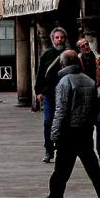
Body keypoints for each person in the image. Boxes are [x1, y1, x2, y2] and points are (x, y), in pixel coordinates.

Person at [40, 49, 100, 198]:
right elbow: (94, 108)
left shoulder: (65, 82)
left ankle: (56, 196)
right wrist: (89, 124)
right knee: (92, 165)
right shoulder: (89, 81)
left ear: (63, 63)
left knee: (61, 168)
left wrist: (54, 134)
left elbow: (61, 110)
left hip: (69, 131)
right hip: (85, 129)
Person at [35, 27, 70, 163]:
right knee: (48, 121)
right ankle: (49, 150)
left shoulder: (70, 54)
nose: (59, 40)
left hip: (65, 95)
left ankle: (63, 149)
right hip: (49, 94)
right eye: (57, 37)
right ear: (52, 39)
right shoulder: (47, 55)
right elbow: (40, 74)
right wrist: (38, 91)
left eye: (61, 37)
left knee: (65, 123)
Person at [77, 38, 100, 160]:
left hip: (97, 96)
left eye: (87, 44)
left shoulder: (99, 59)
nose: (86, 47)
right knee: (86, 125)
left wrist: (98, 93)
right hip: (84, 98)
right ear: (79, 49)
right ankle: (88, 150)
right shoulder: (77, 60)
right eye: (82, 46)